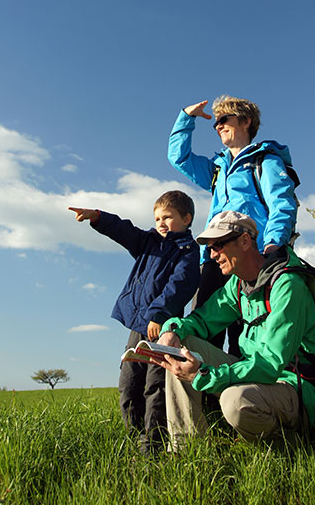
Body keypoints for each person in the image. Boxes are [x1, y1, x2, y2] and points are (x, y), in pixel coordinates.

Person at [155, 210, 315, 446]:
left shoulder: (288, 286)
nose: (213, 255)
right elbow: (203, 321)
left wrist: (203, 375)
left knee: (234, 400)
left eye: (218, 245)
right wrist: (172, 330)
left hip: (293, 386)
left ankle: (289, 445)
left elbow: (270, 364)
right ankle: (188, 451)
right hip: (258, 377)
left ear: (245, 241)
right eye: (210, 248)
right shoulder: (237, 285)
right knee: (181, 345)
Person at [68, 190, 200, 455]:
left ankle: (153, 446)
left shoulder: (188, 251)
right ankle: (134, 439)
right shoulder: (148, 241)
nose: (161, 223)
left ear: (186, 219)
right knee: (128, 384)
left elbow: (180, 285)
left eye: (168, 217)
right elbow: (124, 230)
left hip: (161, 330)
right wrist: (98, 217)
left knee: (155, 387)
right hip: (138, 327)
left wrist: (159, 314)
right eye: (157, 218)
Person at [168, 96, 298, 354]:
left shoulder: (266, 161)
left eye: (224, 119)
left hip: (254, 256)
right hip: (216, 257)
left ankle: (245, 392)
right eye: (216, 122)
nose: (217, 125)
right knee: (205, 334)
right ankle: (207, 393)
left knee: (247, 333)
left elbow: (282, 204)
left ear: (246, 121)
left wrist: (273, 244)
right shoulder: (218, 168)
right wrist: (186, 117)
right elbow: (179, 158)